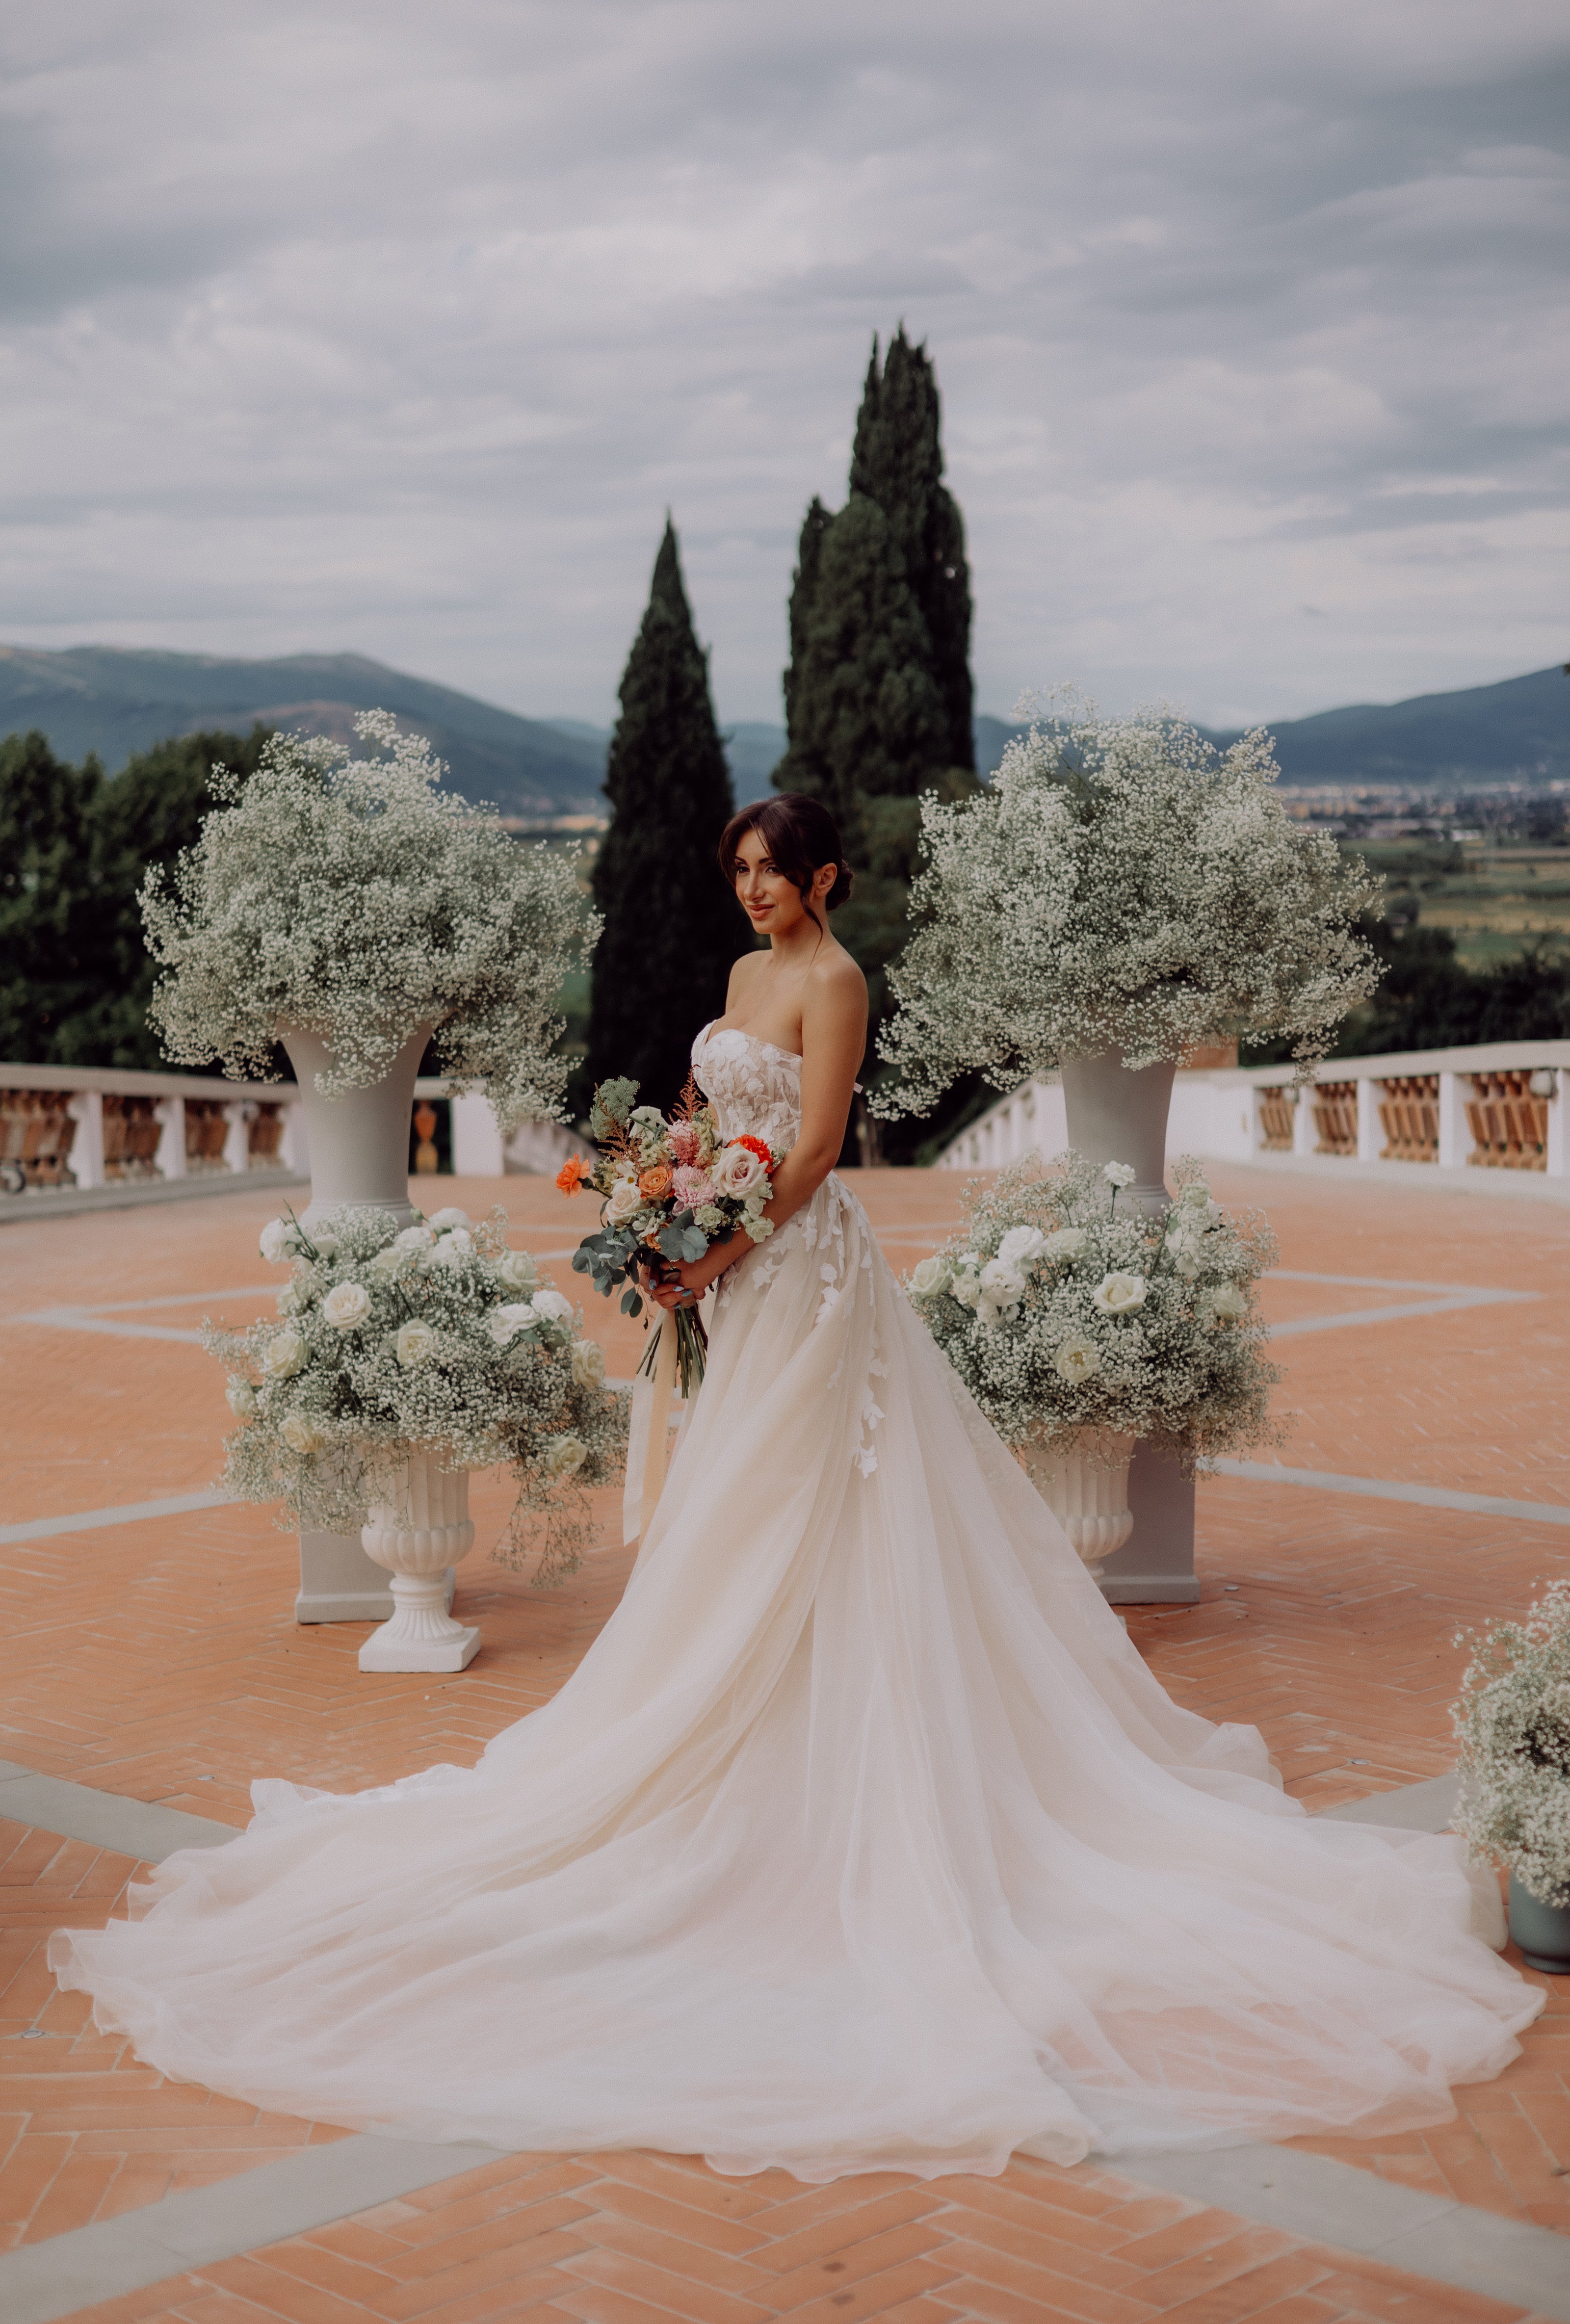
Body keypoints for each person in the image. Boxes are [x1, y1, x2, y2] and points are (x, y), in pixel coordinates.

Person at [51, 792, 1540, 2186]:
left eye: (777, 870)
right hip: (731, 1277)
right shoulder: (732, 968)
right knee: (734, 1510)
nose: (756, 891)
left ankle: (836, 1749)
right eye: (742, 871)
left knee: (807, 1504)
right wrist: (667, 1207)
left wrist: (715, 1249)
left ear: (825, 878)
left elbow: (818, 1148)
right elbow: (716, 1133)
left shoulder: (836, 981)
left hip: (804, 1284)